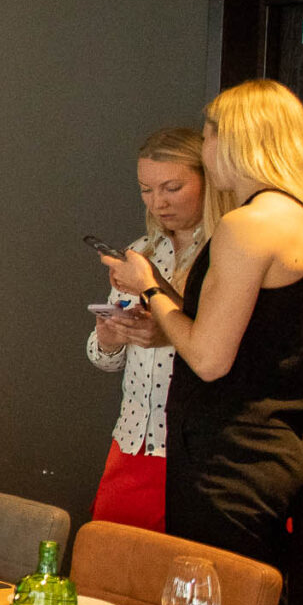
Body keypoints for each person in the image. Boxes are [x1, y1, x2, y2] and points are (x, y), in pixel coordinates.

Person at [105, 80, 303, 569]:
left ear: (235, 140)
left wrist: (149, 287)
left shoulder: (248, 224)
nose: (206, 149)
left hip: (228, 461)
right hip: (275, 451)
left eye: (208, 136)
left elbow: (209, 359)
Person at [84, 128, 209, 531]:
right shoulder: (142, 250)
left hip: (194, 449)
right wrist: (109, 338)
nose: (159, 202)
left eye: (172, 187)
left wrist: (165, 328)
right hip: (131, 439)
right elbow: (104, 359)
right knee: (109, 557)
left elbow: (220, 348)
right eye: (146, 190)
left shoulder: (223, 252)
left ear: (208, 179)